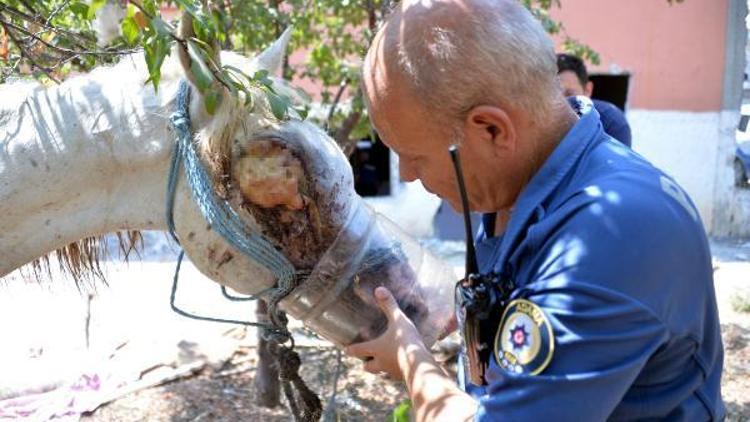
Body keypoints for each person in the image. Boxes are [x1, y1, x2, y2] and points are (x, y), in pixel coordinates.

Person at [345, 0, 725, 421]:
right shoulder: (532, 179)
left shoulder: (609, 236)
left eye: (413, 154)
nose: (407, 173)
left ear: (492, 129)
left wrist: (411, 361)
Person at [557, 53, 633, 147]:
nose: (561, 103)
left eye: (570, 94)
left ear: (587, 90)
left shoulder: (611, 123)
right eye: (554, 95)